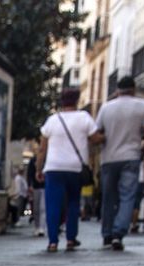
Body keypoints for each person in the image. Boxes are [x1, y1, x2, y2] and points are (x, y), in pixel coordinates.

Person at [91, 76, 144, 251]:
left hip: (109, 158)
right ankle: (118, 233)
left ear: (118, 90)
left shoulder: (106, 108)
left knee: (108, 197)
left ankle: (107, 234)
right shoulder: (143, 106)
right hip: (131, 156)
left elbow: (97, 134)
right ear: (133, 89)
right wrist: (142, 150)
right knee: (127, 196)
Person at [35, 87, 95, 253]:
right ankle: (70, 238)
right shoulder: (84, 118)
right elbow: (96, 137)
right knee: (73, 202)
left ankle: (53, 241)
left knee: (52, 204)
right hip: (75, 168)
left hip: (54, 167)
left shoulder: (52, 120)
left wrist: (39, 169)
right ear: (77, 100)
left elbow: (42, 148)